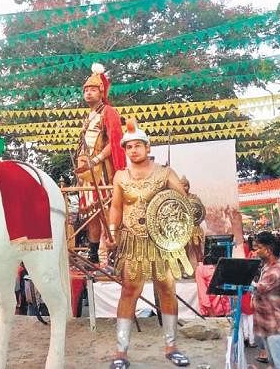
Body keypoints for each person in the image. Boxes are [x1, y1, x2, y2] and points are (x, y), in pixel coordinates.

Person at [107, 121, 192, 369]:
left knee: (166, 288)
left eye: (137, 145)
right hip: (132, 240)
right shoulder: (121, 176)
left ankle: (171, 346)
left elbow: (182, 203)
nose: (133, 150)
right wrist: (113, 232)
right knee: (129, 290)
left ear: (147, 146)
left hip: (161, 242)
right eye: (129, 147)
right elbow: (116, 206)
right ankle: (121, 351)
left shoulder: (165, 173)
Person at [74, 63, 125, 263]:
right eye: (86, 90)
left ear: (101, 91)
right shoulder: (89, 115)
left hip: (104, 173)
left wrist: (94, 160)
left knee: (106, 212)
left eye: (93, 89)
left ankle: (110, 255)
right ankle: (94, 255)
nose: (88, 93)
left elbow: (115, 142)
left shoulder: (108, 111)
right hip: (87, 174)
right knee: (91, 216)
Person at [252, 231, 280, 369]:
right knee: (275, 364)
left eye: (258, 248)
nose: (256, 251)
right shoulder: (267, 267)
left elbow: (259, 288)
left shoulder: (276, 270)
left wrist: (242, 277)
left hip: (276, 325)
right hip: (268, 324)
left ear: (268, 250)